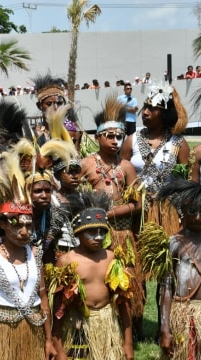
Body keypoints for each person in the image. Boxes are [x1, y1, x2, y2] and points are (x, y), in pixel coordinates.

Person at [80, 95, 144, 336]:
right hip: (95, 233)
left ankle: (133, 326)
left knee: (128, 278)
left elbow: (136, 203)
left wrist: (113, 211)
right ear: (98, 137)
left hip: (122, 233)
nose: (116, 141)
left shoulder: (126, 166)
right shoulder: (86, 164)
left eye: (119, 136)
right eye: (110, 136)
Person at [51, 191, 134, 360]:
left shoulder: (111, 258)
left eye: (102, 232)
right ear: (78, 233)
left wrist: (128, 343)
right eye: (91, 232)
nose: (98, 237)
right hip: (77, 326)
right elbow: (57, 309)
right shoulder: (67, 261)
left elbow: (123, 302)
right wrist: (59, 349)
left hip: (106, 322)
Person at [0, 194, 55, 360]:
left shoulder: (36, 254)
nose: (24, 232)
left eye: (28, 225)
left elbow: (43, 299)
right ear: (3, 224)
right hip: (4, 331)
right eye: (18, 225)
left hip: (34, 332)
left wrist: (48, 340)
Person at [156, 179, 201, 360]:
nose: (198, 217)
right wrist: (164, 328)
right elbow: (165, 288)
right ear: (183, 210)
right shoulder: (172, 244)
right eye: (192, 211)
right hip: (184, 313)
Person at [121, 84, 189, 237]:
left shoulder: (178, 143)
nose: (144, 112)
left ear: (164, 113)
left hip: (168, 212)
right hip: (136, 211)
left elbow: (185, 185)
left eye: (151, 109)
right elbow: (120, 175)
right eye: (145, 107)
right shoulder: (131, 140)